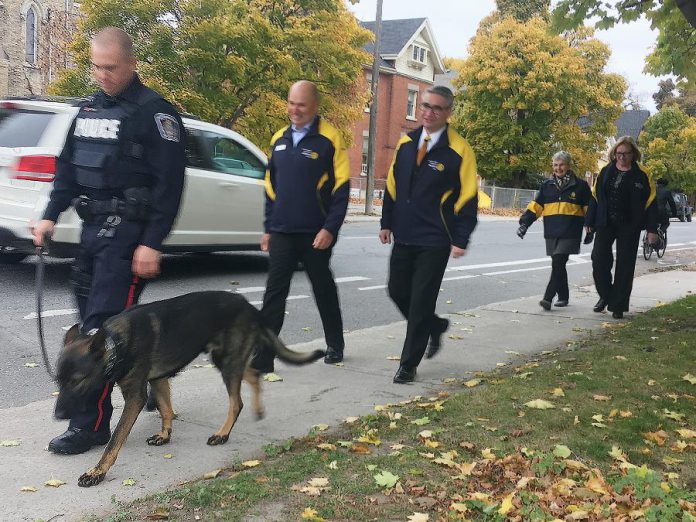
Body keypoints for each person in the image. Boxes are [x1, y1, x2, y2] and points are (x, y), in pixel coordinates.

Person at [32, 27, 186, 454]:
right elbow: (67, 169)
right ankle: (148, 378)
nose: (102, 75)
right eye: (96, 66)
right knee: (91, 321)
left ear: (132, 64)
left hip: (128, 239)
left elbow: (170, 186)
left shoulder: (156, 114)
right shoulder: (89, 111)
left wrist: (152, 241)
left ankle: (90, 425)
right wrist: (48, 216)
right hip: (90, 233)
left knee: (99, 331)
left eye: (111, 67)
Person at [379, 85, 478, 384]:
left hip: (436, 238)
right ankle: (434, 326)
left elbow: (468, 198)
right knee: (397, 290)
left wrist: (461, 238)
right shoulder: (406, 143)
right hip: (404, 234)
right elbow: (393, 186)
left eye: (436, 108)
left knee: (421, 300)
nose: (428, 112)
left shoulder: (459, 149)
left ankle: (408, 364)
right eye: (424, 105)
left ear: (448, 113)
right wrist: (386, 222)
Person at [250, 80, 350, 373]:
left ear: (315, 106)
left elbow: (341, 189)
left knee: (323, 289)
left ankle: (335, 344)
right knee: (273, 294)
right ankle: (264, 357)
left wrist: (329, 229)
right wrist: (268, 228)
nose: (294, 109)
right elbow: (271, 188)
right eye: (291, 103)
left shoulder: (330, 139)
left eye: (301, 104)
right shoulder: (278, 139)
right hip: (282, 231)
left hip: (315, 234)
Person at [585, 136, 658, 319]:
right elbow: (595, 197)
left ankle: (618, 306)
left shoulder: (643, 174)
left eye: (625, 154)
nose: (622, 157)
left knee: (625, 265)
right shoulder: (605, 171)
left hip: (630, 224)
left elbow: (651, 203)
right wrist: (589, 221)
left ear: (633, 154)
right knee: (599, 259)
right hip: (605, 222)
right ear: (614, 154)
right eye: (618, 153)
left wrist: (652, 230)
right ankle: (606, 295)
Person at [517, 151, 592, 310]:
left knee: (558, 261)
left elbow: (589, 209)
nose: (558, 168)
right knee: (558, 264)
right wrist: (524, 224)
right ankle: (563, 296)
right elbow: (536, 207)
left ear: (568, 166)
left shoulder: (581, 186)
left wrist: (590, 230)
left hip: (571, 231)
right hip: (552, 231)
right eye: (555, 165)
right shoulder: (547, 185)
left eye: (561, 165)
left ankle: (548, 298)